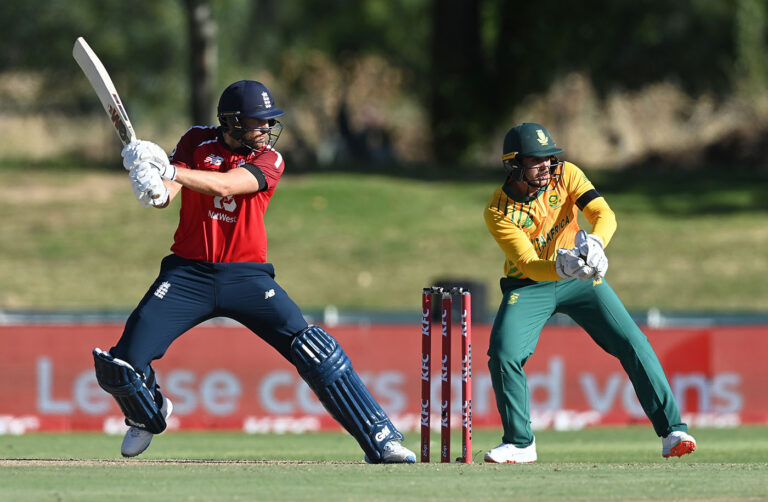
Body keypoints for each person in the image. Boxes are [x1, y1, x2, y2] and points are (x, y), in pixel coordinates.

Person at [92, 80, 416, 464]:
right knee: (123, 364)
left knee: (315, 350)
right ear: (231, 122)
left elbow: (226, 186)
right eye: (256, 122)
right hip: (188, 274)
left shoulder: (270, 160)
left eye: (268, 121)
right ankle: (147, 414)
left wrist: (171, 170)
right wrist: (152, 184)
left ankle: (381, 438)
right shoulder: (196, 140)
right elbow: (167, 196)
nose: (266, 129)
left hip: (247, 277)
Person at [482, 122, 696, 463]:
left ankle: (673, 432)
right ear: (514, 164)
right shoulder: (498, 210)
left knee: (633, 342)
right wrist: (561, 267)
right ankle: (521, 444)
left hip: (580, 278)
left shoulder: (567, 174)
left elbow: (602, 213)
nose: (546, 166)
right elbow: (528, 263)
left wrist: (596, 242)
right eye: (535, 160)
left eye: (548, 158)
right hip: (529, 284)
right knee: (504, 354)